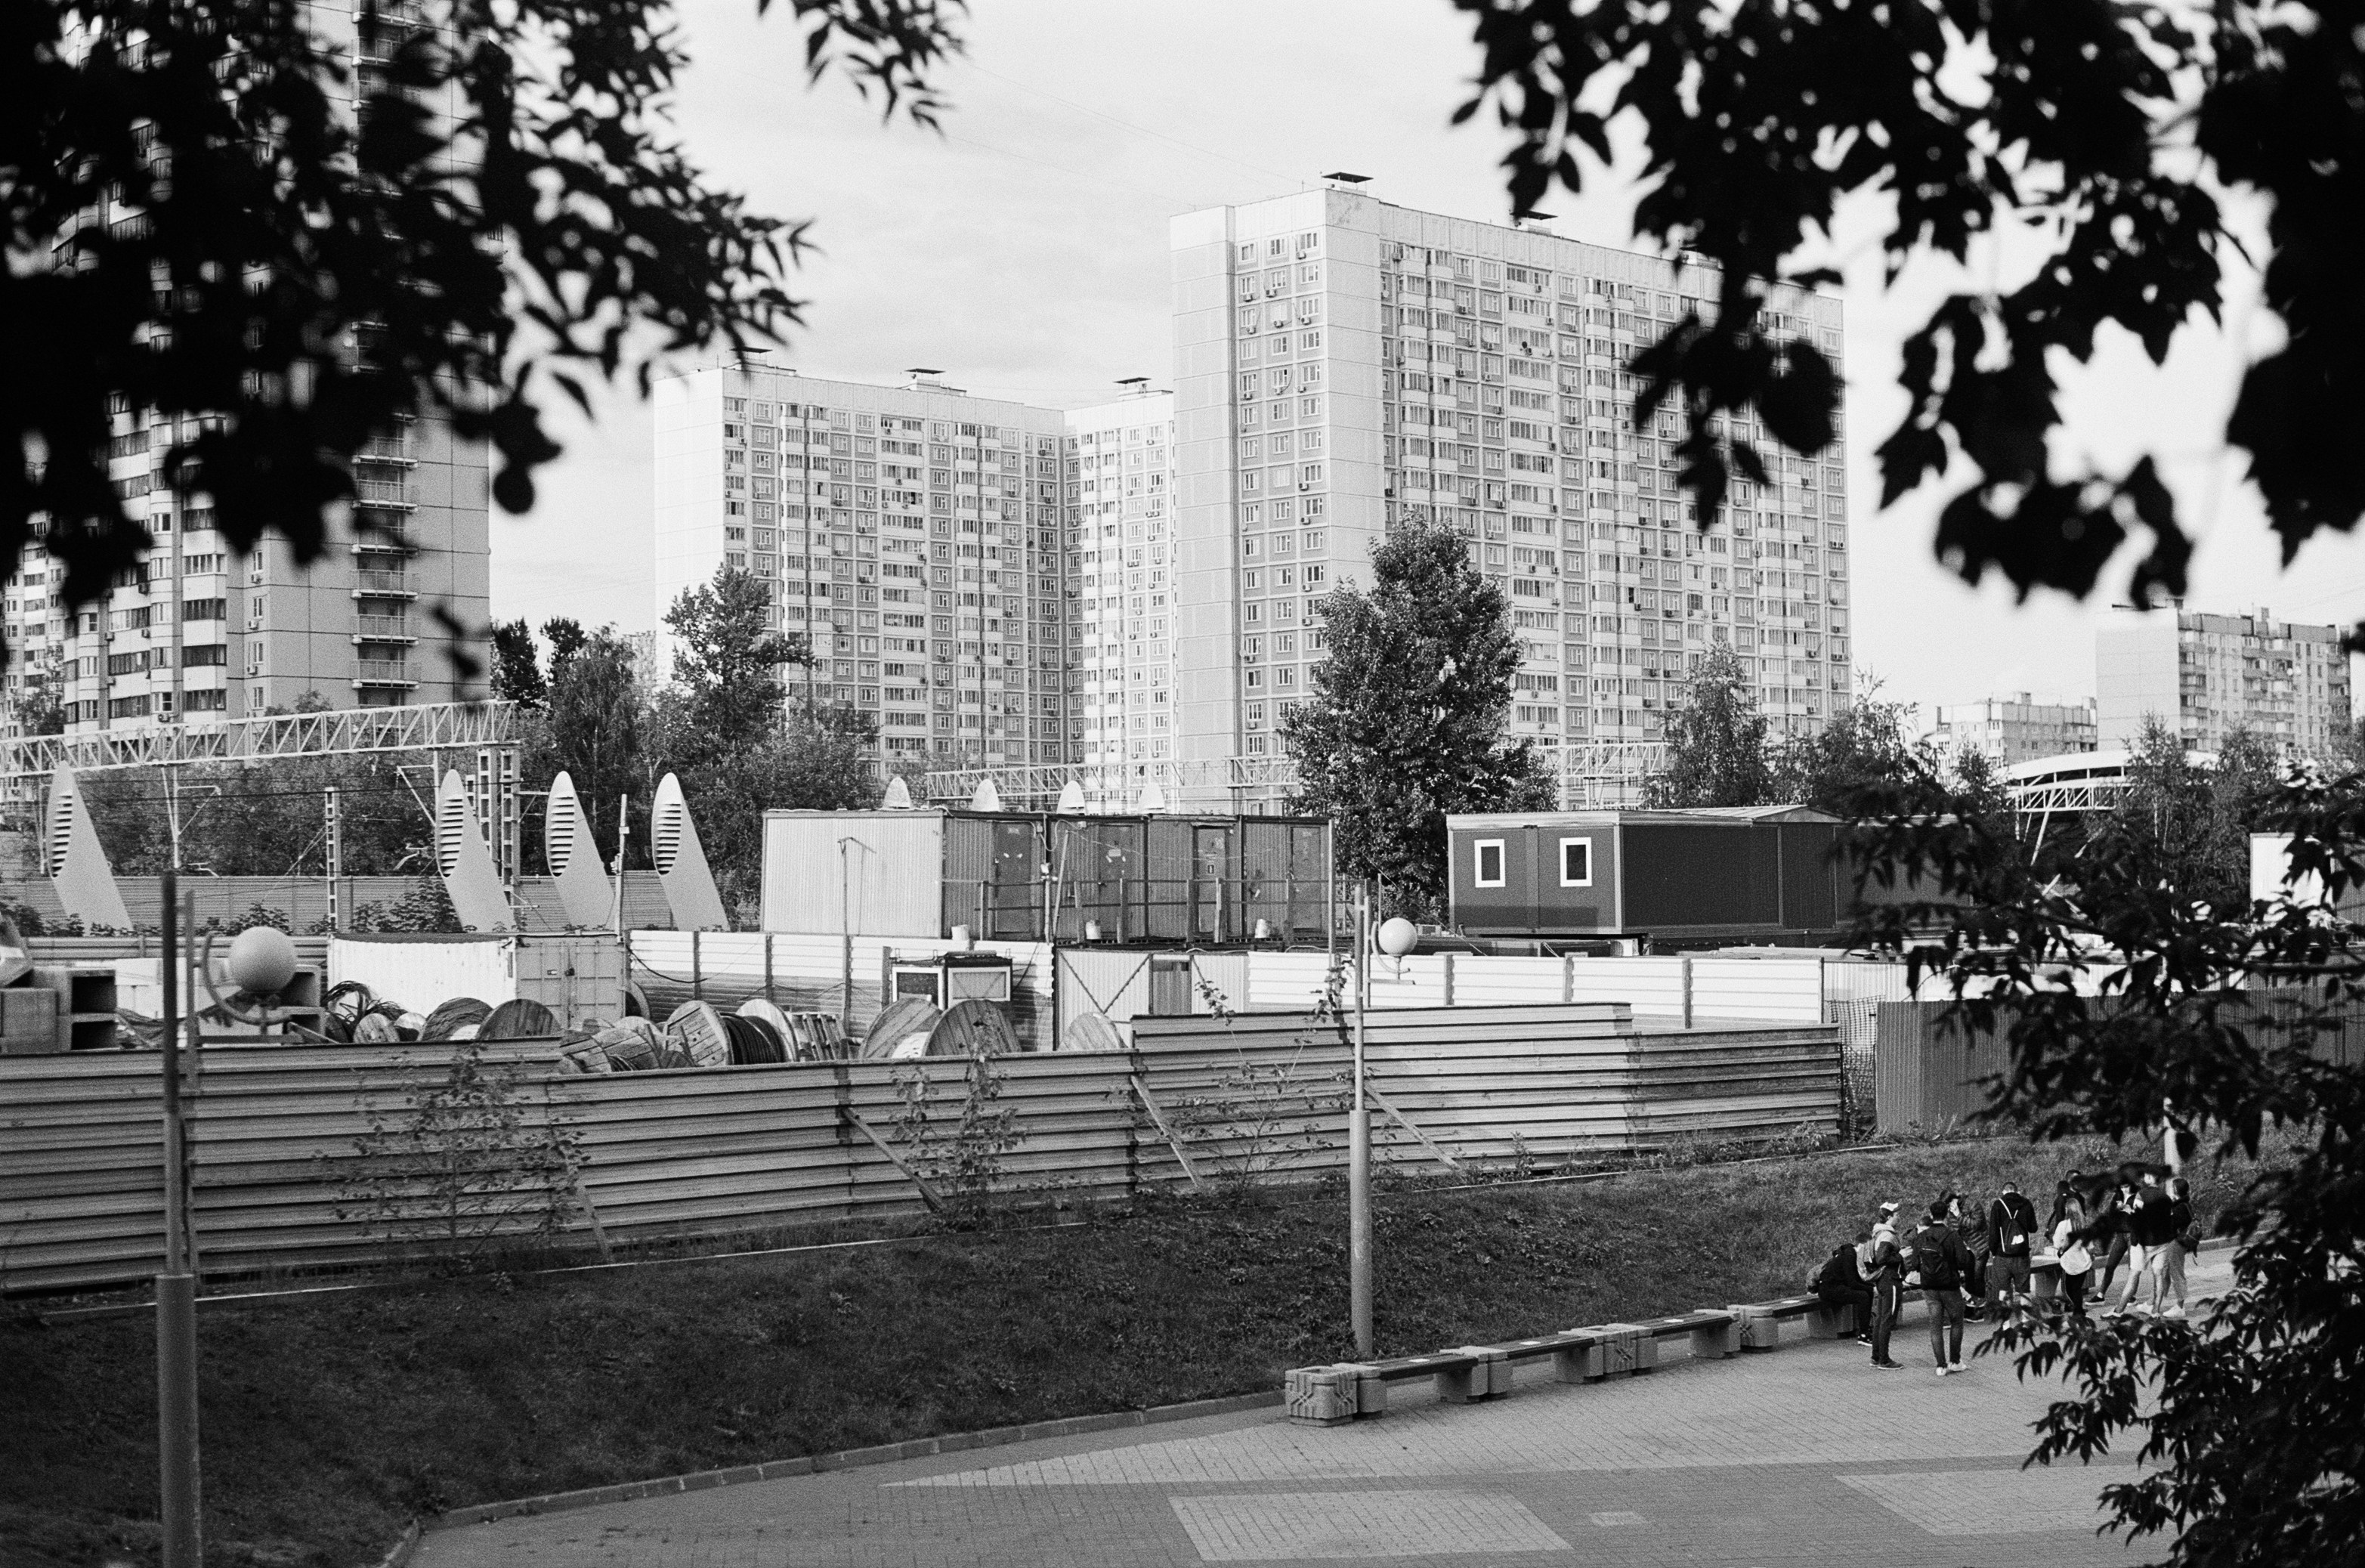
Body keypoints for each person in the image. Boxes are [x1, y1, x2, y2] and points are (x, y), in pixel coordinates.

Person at [1906, 1198, 1977, 1376]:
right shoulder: (1952, 1236)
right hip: (1950, 1285)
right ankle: (1955, 1361)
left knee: (1935, 1325)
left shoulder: (1922, 1237)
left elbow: (1914, 1263)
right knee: (1956, 1322)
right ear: (1946, 1215)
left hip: (1929, 1286)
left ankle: (1940, 1365)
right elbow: (1963, 1261)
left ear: (1931, 1215)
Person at [2116, 1172, 2177, 1316]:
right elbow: (2170, 1220)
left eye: (2146, 1176)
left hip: (2143, 1242)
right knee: (2158, 1276)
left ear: (2150, 1178)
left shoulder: (2141, 1194)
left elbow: (2137, 1217)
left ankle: (2118, 1311)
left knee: (2133, 1275)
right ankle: (2156, 1311)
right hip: (2161, 1242)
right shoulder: (2166, 1198)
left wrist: (2128, 1210)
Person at [1986, 1180, 2040, 1327]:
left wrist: (1994, 1252)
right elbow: (2033, 1228)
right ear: (2017, 1191)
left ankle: (2006, 1325)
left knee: (2004, 1290)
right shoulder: (2026, 1203)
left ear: (2004, 1192)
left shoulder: (1998, 1205)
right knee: (2024, 1289)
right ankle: (2026, 1321)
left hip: (2002, 1255)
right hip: (2022, 1254)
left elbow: (1993, 1232)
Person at [1813, 1232, 1875, 1344]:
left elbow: (1855, 1279)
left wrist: (1872, 1287)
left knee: (1868, 1293)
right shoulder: (1849, 1256)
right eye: (1869, 1247)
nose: (1870, 1251)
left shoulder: (1851, 1254)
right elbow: (1852, 1283)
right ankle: (1863, 1335)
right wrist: (1871, 1289)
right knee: (1863, 1296)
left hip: (1837, 1287)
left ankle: (1865, 1327)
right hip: (1829, 1290)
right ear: (1862, 1246)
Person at [1863, 1215, 1906, 1369]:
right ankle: (1884, 1360)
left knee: (1880, 1320)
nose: (1899, 1217)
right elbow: (1882, 1258)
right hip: (1891, 1280)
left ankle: (1876, 1357)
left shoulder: (1877, 1233)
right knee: (1887, 1320)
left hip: (1882, 1280)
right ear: (1889, 1217)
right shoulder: (1887, 1235)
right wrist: (1900, 1257)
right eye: (1896, 1214)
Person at [2046, 1182, 2093, 1316]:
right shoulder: (2084, 1225)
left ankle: (2079, 1311)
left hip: (2070, 1263)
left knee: (2069, 1288)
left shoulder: (2063, 1225)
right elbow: (2090, 1246)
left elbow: (2057, 1243)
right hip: (2083, 1261)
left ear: (2067, 1210)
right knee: (2077, 1288)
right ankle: (2079, 1309)